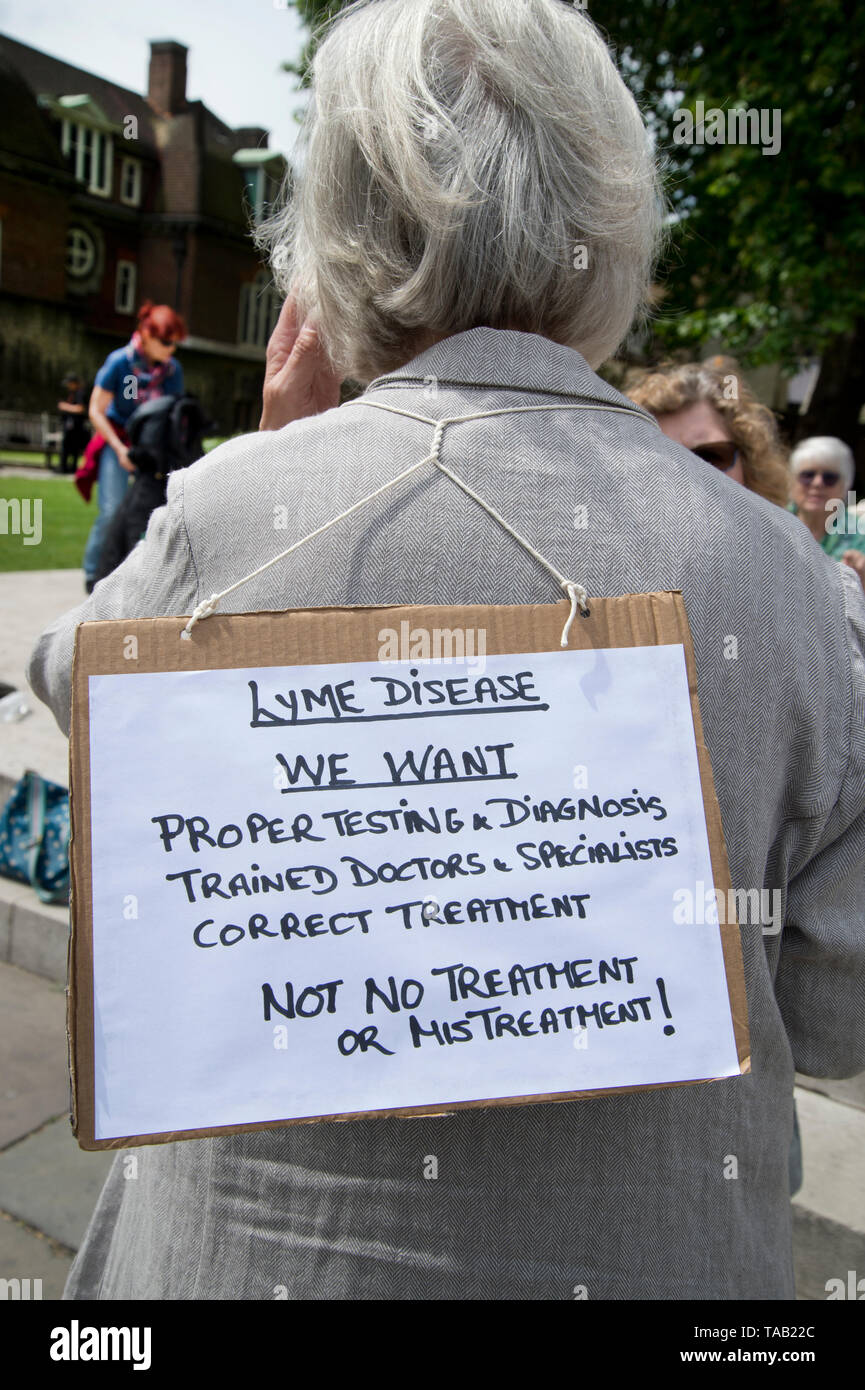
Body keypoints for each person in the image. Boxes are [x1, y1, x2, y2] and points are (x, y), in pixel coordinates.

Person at [27, 0, 865, 1300]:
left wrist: (262, 458)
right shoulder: (785, 574)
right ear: (612, 219)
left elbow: (66, 680)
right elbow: (832, 1012)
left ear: (336, 239)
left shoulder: (221, 518)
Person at [81, 301, 186, 593]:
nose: (171, 349)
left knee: (150, 513)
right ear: (147, 334)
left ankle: (136, 574)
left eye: (174, 343)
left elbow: (172, 412)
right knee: (111, 509)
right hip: (118, 441)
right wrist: (118, 450)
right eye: (166, 342)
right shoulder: (120, 362)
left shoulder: (171, 370)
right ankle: (93, 574)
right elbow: (95, 410)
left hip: (151, 451)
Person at [626, 359, 791, 507]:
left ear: (749, 466)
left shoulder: (791, 540)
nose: (688, 475)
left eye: (710, 457)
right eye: (664, 459)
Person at [788, 436, 865, 591]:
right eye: (807, 475)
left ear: (845, 485)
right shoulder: (769, 522)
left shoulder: (859, 534)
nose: (817, 483)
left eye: (829, 478)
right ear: (792, 480)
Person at [56, 372, 89, 474]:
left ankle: (70, 467)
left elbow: (81, 408)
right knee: (67, 446)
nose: (68, 386)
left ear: (74, 383)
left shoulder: (80, 393)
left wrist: (65, 407)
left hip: (76, 425)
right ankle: (64, 466)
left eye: (69, 383)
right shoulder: (72, 393)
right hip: (69, 424)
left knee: (73, 447)